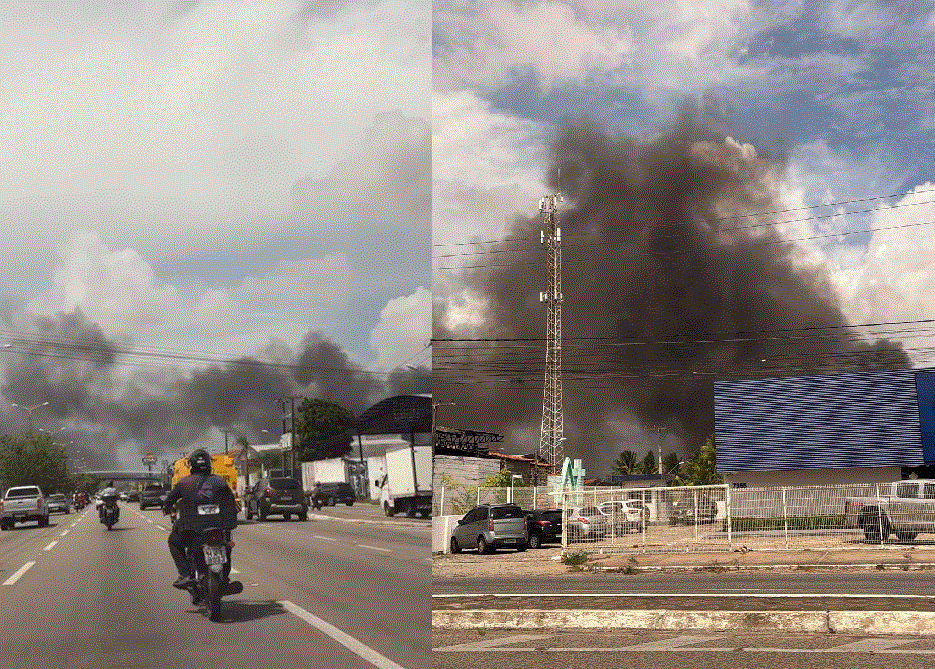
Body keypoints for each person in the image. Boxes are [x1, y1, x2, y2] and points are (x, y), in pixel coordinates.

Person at [162, 449, 237, 589]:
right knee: (227, 546)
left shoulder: (184, 483)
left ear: (192, 466)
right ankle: (225, 578)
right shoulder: (220, 481)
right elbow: (231, 500)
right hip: (219, 525)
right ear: (209, 465)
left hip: (193, 528)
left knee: (173, 541)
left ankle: (185, 574)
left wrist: (166, 508)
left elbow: (169, 500)